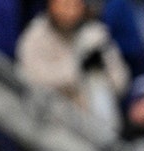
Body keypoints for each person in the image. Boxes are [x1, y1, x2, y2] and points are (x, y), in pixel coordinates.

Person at [15, 0, 130, 133]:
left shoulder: (94, 35)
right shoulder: (35, 36)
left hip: (99, 128)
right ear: (51, 5)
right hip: (53, 128)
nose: (70, 12)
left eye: (76, 5)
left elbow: (121, 80)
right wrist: (78, 71)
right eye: (64, 5)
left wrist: (98, 78)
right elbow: (30, 79)